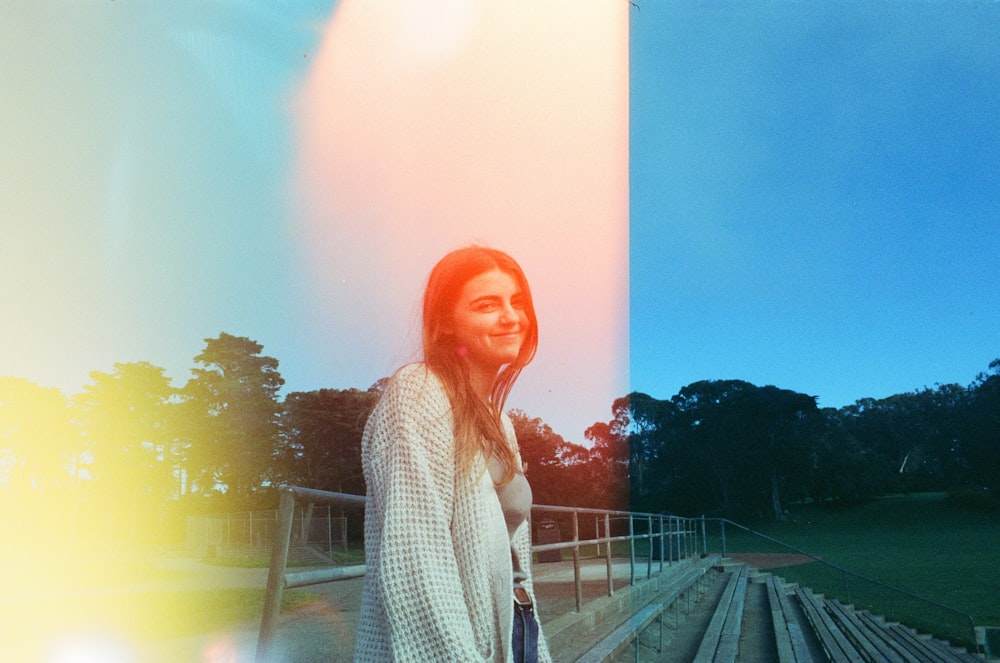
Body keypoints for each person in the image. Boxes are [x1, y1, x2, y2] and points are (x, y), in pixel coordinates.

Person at [354, 246, 551, 663]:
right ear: (446, 323)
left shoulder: (501, 423)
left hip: (517, 628)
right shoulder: (420, 393)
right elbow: (416, 567)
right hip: (456, 646)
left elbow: (516, 562)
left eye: (517, 302)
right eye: (487, 305)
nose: (511, 317)